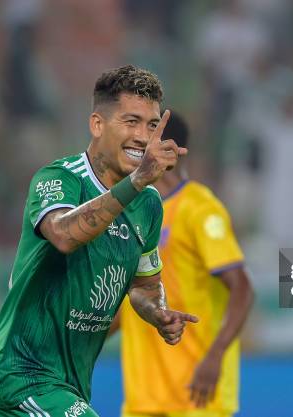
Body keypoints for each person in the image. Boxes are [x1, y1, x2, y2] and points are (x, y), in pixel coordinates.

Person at [0, 65, 199, 417]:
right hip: (21, 374)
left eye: (152, 125)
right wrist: (139, 180)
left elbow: (144, 285)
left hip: (73, 385)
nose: (143, 136)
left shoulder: (148, 205)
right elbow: (64, 235)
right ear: (97, 124)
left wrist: (157, 311)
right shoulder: (58, 179)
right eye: (131, 122)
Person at [109, 112, 254, 417]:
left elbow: (241, 287)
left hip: (196, 396)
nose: (133, 152)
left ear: (168, 151)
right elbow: (127, 304)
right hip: (143, 400)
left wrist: (215, 357)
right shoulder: (131, 214)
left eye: (141, 143)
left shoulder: (199, 209)